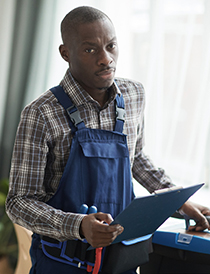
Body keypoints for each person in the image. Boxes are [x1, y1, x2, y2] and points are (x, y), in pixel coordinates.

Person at [6, 6, 210, 274]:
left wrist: (174, 199)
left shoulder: (134, 94)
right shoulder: (41, 113)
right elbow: (19, 202)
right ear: (65, 53)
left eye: (111, 46)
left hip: (121, 260)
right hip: (61, 263)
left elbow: (135, 156)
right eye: (90, 50)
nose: (106, 59)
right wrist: (78, 225)